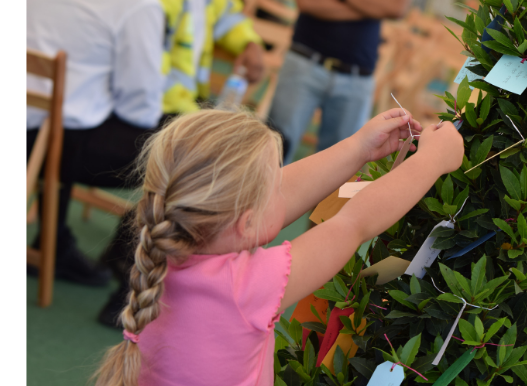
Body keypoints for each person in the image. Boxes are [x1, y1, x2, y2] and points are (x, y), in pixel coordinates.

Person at [92, 107, 463, 385]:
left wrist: (358, 149)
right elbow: (353, 224)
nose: (283, 187)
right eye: (273, 184)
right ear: (245, 221)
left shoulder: (166, 242)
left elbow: (279, 198)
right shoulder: (245, 287)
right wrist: (431, 161)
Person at [96, 0, 267, 325]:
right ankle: (130, 282)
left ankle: (126, 257)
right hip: (146, 104)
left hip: (182, 106)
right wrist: (199, 119)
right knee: (202, 167)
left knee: (250, 146)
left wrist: (250, 43)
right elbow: (145, 67)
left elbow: (226, 16)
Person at [27, 0, 166, 286]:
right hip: (44, 145)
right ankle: (128, 271)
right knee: (173, 149)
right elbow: (140, 108)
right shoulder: (140, 7)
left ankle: (53, 241)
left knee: (73, 109)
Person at [268, 0, 409, 164]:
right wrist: (372, 9)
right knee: (273, 152)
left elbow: (396, 8)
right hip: (305, 62)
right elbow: (307, 4)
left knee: (340, 167)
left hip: (358, 76)